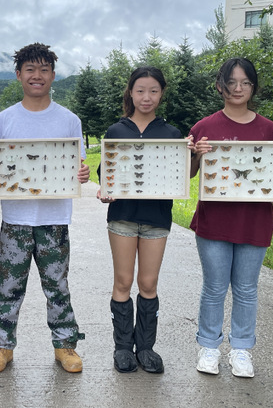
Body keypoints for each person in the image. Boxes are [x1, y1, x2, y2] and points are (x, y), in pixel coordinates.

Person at [0, 43, 90, 374]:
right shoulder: (2, 120)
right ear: (19, 75)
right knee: (9, 286)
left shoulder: (69, 120)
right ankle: (2, 345)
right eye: (30, 69)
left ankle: (65, 345)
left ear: (53, 75)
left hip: (54, 219)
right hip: (15, 218)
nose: (37, 75)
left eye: (44, 69)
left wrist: (82, 174)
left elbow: (77, 165)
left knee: (57, 285)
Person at [188, 57, 273, 378]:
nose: (238, 88)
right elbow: (188, 174)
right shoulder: (204, 127)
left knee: (247, 289)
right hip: (214, 221)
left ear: (253, 87)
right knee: (214, 288)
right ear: (219, 86)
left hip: (254, 220)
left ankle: (241, 349)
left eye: (245, 82)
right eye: (231, 82)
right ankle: (209, 347)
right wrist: (195, 155)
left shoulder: (267, 128)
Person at [97, 66, 190, 374]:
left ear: (161, 94)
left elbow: (183, 175)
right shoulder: (116, 131)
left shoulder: (172, 134)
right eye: (140, 91)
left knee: (148, 283)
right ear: (131, 93)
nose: (146, 97)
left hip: (156, 218)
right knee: (123, 281)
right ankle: (123, 348)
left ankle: (146, 347)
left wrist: (193, 154)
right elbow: (105, 173)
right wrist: (105, 190)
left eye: (153, 91)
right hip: (123, 217)